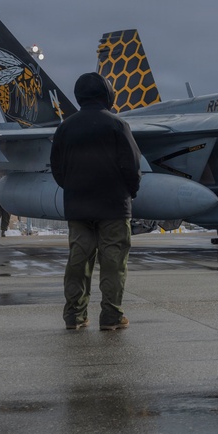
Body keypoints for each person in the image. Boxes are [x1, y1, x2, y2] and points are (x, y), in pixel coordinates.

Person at [50, 72, 142, 332]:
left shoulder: (65, 127)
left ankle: (74, 317)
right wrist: (129, 192)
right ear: (107, 94)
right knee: (113, 263)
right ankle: (111, 317)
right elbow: (132, 165)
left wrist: (74, 188)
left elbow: (57, 168)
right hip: (113, 207)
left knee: (78, 261)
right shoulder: (117, 124)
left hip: (78, 207)